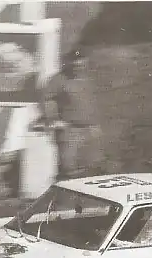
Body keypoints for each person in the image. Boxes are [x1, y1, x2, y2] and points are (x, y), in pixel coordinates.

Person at [39, 48, 103, 181]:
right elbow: (47, 98)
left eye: (80, 60)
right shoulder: (59, 79)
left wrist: (95, 124)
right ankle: (63, 197)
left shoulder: (89, 78)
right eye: (74, 60)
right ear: (69, 62)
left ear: (85, 61)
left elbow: (92, 102)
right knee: (68, 167)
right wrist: (53, 119)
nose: (77, 63)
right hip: (69, 130)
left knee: (91, 166)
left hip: (89, 129)